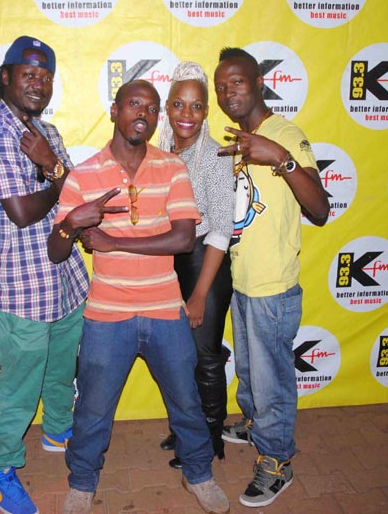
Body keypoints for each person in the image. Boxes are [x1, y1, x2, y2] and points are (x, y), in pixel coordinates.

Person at [48, 80, 230, 514]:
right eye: (133, 104)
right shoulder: (84, 174)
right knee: (92, 409)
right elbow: (56, 251)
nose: (143, 114)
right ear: (115, 111)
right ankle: (82, 483)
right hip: (107, 313)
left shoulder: (172, 168)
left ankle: (199, 474)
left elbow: (183, 239)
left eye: (151, 108)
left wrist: (113, 242)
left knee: (186, 401)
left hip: (164, 308)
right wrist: (72, 222)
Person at [0, 35, 89, 514]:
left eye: (46, 76)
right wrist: (53, 172)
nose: (38, 83)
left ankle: (58, 431)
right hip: (16, 289)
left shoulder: (47, 132)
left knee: (62, 369)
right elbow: (22, 212)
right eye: (29, 74)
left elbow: (76, 192)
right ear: (5, 78)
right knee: (19, 386)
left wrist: (53, 167)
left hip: (62, 280)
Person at [213, 47, 329, 508]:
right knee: (248, 370)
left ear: (259, 83)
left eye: (237, 82)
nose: (228, 92)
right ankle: (255, 422)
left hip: (274, 286)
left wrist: (280, 158)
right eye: (221, 86)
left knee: (271, 378)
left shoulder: (285, 135)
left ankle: (278, 459)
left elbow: (320, 208)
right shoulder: (238, 139)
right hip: (243, 279)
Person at [155, 61, 235, 469]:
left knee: (205, 355)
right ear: (167, 107)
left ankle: (209, 438)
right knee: (177, 357)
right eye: (178, 104)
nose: (187, 114)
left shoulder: (216, 156)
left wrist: (201, 293)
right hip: (170, 265)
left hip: (206, 263)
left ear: (206, 111)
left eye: (196, 106)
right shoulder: (158, 154)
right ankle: (188, 428)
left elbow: (222, 228)